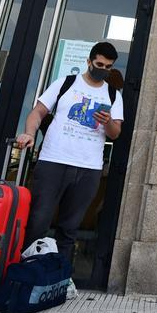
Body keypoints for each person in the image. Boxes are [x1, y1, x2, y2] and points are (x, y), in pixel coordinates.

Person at [17, 42, 124, 264]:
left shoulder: (113, 95)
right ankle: (24, 275)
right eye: (99, 64)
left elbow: (115, 134)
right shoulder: (65, 83)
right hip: (53, 162)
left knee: (70, 228)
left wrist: (108, 123)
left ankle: (59, 279)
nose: (103, 69)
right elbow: (37, 112)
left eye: (108, 67)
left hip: (89, 168)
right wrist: (29, 133)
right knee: (38, 221)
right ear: (89, 61)